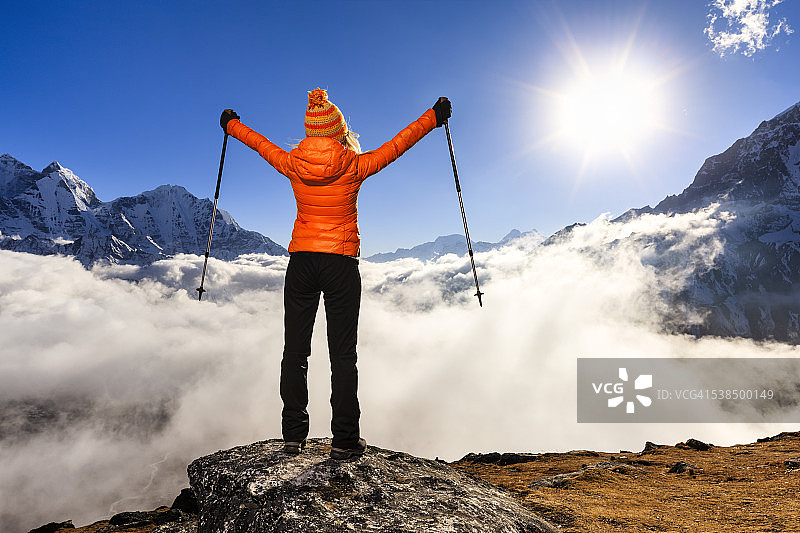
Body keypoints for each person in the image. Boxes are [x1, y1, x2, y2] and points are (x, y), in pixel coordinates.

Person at [220, 89, 451, 460]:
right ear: (340, 131)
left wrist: (232, 126)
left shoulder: (293, 162)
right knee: (343, 355)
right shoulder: (354, 165)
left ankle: (292, 436)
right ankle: (344, 439)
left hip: (302, 263)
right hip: (341, 264)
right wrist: (434, 117)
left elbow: (259, 144)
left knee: (295, 352)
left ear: (310, 133)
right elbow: (397, 144)